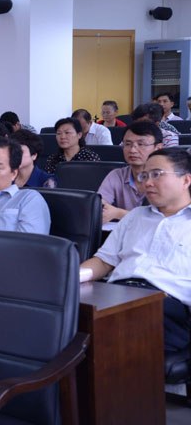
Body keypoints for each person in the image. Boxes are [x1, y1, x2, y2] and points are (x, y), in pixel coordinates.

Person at [80, 147, 191, 364]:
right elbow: (104, 261)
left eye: (157, 174)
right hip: (117, 294)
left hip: (167, 305)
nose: (147, 182)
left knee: (102, 336)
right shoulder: (136, 216)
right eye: (144, 176)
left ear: (186, 180)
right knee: (63, 312)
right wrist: (69, 280)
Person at [98, 121, 163, 224]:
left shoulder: (168, 178)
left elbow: (164, 219)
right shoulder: (117, 175)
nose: (133, 150)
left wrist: (118, 213)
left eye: (141, 144)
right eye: (128, 144)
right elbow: (99, 206)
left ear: (158, 148)